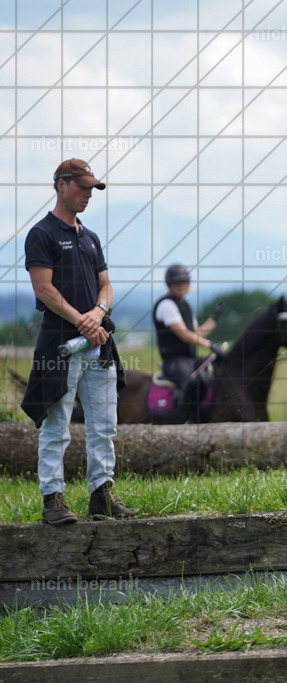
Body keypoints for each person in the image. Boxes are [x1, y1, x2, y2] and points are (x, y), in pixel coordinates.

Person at [21, 158, 138, 524]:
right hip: (60, 345)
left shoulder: (90, 237)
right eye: (82, 187)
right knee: (56, 426)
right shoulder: (41, 234)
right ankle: (52, 500)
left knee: (104, 424)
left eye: (92, 189)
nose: (88, 194)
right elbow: (43, 288)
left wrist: (99, 313)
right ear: (60, 184)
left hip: (98, 344)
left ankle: (102, 494)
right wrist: (82, 322)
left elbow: (106, 283)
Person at [152, 264, 224, 423]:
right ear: (169, 284)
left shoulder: (185, 305)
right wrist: (210, 345)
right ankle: (186, 421)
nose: (181, 285)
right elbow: (184, 334)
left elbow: (197, 334)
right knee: (191, 382)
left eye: (184, 282)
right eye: (176, 283)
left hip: (190, 358)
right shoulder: (166, 305)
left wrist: (214, 318)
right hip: (174, 361)